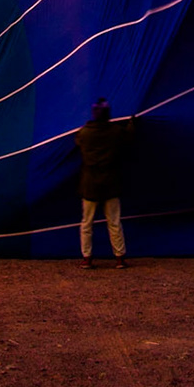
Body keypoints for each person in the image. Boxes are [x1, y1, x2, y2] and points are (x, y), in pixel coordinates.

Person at [74, 98, 135, 269]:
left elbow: (77, 141)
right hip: (110, 184)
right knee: (114, 222)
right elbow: (129, 136)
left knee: (86, 223)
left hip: (90, 184)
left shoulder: (84, 133)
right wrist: (133, 121)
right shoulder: (115, 132)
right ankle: (119, 257)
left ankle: (87, 257)